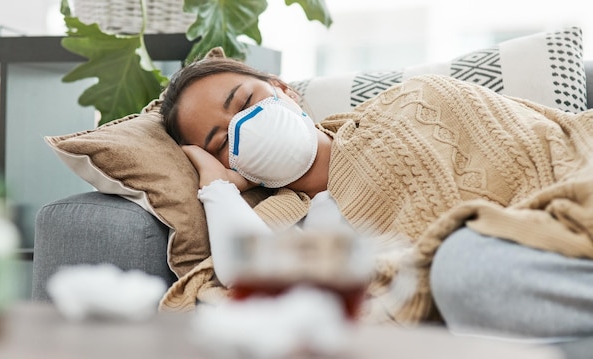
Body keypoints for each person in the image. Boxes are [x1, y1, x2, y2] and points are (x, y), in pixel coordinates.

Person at [159, 55, 593, 343]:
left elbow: (535, 145)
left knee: (462, 263)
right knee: (461, 266)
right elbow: (243, 272)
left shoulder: (409, 103)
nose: (245, 126)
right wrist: (215, 185)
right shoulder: (287, 221)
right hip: (492, 278)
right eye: (219, 142)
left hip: (563, 210)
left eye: (247, 101)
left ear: (284, 90)